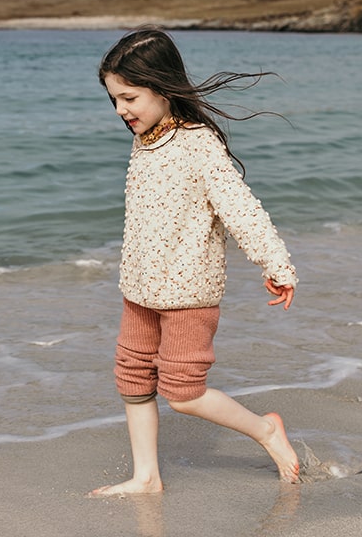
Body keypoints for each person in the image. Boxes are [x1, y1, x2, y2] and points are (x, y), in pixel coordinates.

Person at [91, 28, 300, 497]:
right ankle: (147, 477)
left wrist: (276, 263)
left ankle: (266, 429)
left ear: (164, 88)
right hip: (140, 288)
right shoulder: (145, 139)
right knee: (131, 375)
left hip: (188, 292)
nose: (122, 110)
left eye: (130, 97)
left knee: (183, 394)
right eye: (114, 100)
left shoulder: (197, 143)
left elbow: (240, 207)